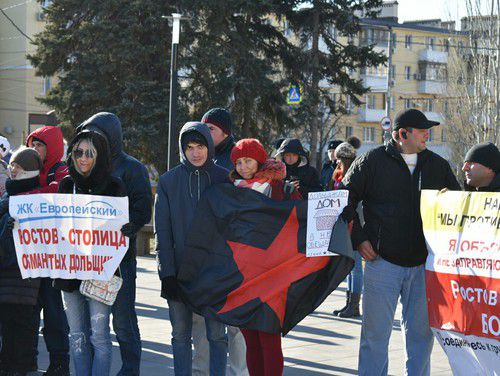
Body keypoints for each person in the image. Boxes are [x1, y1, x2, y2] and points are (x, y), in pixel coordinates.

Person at [342, 109, 460, 376]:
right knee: (374, 338)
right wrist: (359, 238)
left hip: (423, 265)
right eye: (422, 130)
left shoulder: (437, 165)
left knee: (421, 339)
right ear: (402, 134)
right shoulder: (371, 161)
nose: (428, 135)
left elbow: (457, 204)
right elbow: (343, 199)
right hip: (381, 262)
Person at [78, 112, 152, 376]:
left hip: (120, 259)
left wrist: (132, 225)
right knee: (93, 322)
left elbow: (143, 205)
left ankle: (130, 369)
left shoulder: (132, 168)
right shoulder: (87, 163)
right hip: (87, 257)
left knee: (123, 320)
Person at [155, 122, 228, 375]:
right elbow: (162, 233)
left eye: (200, 146)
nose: (196, 153)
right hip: (179, 272)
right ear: (182, 150)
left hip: (215, 274)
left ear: (209, 146)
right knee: (180, 335)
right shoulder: (168, 181)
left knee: (217, 335)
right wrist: (167, 274)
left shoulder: (223, 178)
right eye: (189, 147)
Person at [53, 130, 128, 376]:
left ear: (100, 155)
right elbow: (54, 227)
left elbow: (119, 230)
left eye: (89, 153)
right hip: (69, 272)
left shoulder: (114, 186)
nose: (83, 158)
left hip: (99, 273)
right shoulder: (66, 185)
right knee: (77, 336)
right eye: (78, 152)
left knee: (100, 337)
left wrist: (127, 228)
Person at [229, 138, 301, 376]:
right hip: (244, 274)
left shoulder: (280, 187)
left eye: (248, 161)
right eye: (238, 162)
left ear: (259, 161)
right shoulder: (232, 189)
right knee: (250, 337)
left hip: (274, 274)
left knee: (269, 338)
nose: (243, 167)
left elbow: (300, 219)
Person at [197, 107, 248, 376]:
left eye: (212, 129)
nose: (206, 133)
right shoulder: (201, 154)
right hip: (207, 252)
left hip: (234, 254)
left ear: (225, 132)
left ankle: (240, 372)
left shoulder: (238, 158)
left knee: (236, 326)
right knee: (205, 325)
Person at [26, 126, 70, 375]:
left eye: (40, 145)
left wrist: (29, 195)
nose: (35, 150)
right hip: (31, 255)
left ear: (52, 147)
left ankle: (59, 362)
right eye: (32, 145)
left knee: (53, 315)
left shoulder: (61, 170)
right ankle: (27, 359)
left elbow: (57, 192)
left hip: (53, 257)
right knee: (29, 313)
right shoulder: (30, 169)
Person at [0, 147, 43, 376]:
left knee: (21, 333)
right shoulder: (8, 198)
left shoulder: (36, 201)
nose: (12, 169)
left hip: (25, 281)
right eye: (12, 165)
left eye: (17, 166)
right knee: (8, 333)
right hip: (7, 279)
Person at [330, 142, 363, 318]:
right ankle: (349, 303)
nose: (336, 163)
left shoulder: (354, 175)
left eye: (339, 160)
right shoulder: (339, 175)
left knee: (356, 267)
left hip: (354, 224)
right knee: (350, 267)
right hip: (344, 224)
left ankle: (354, 305)